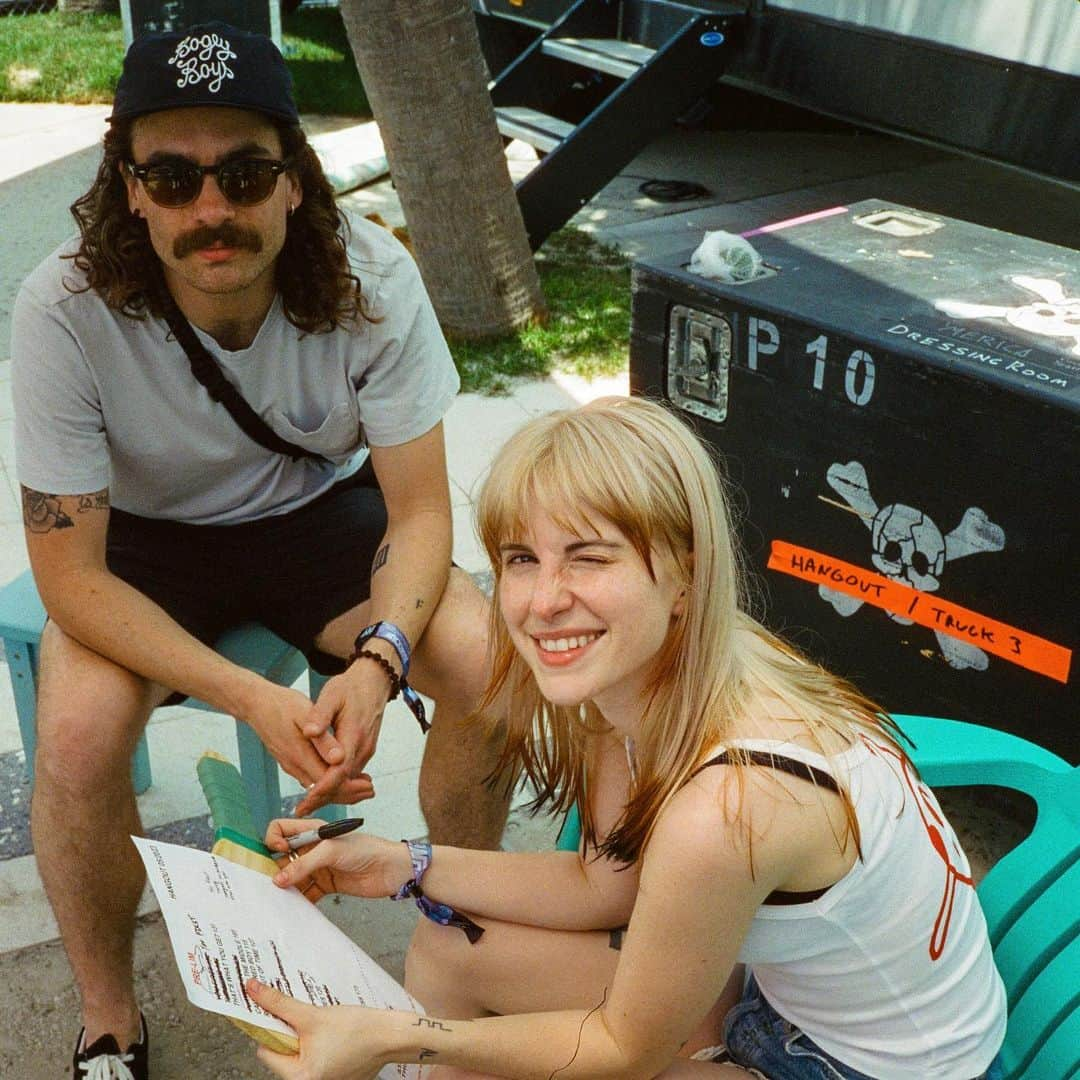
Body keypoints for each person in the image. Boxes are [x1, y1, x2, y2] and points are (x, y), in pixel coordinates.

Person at [10, 22, 504, 1080]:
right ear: (128, 188)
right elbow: (71, 574)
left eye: (242, 172)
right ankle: (109, 1026)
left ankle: (461, 955)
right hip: (142, 541)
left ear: (293, 178)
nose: (210, 209)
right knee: (78, 737)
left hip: (317, 516)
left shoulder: (372, 273)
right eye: (173, 177)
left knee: (484, 663)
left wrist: (378, 666)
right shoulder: (62, 305)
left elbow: (420, 515)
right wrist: (252, 696)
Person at [246, 397, 1007, 1080]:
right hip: (786, 998)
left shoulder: (727, 809)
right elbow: (601, 884)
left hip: (865, 1066)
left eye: (589, 556)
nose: (544, 602)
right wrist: (399, 863)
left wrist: (397, 1038)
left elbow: (622, 1051)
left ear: (686, 573)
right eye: (521, 559)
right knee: (449, 946)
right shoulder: (647, 677)